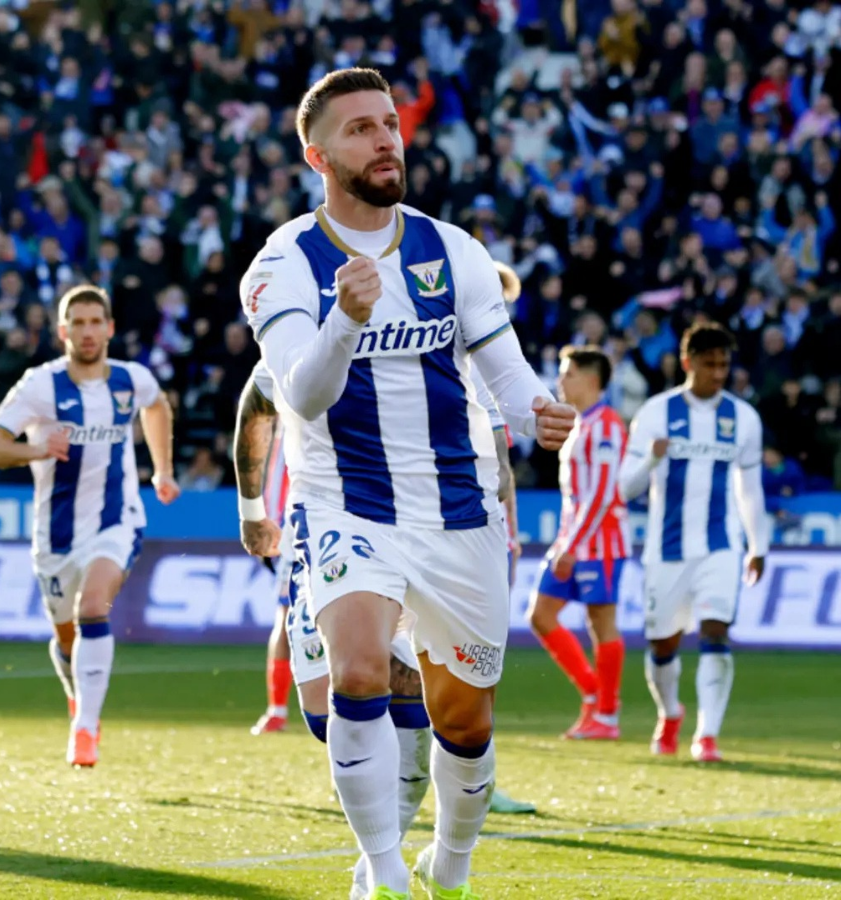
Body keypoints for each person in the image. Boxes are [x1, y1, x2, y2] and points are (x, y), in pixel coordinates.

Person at [238, 68, 574, 898]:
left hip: (458, 514)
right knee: (356, 676)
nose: (385, 139)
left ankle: (449, 870)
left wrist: (541, 413)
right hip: (346, 504)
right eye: (361, 129)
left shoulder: (452, 248)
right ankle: (384, 875)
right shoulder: (283, 264)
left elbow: (507, 376)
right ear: (318, 154)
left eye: (389, 123)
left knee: (466, 720)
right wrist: (345, 321)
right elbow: (302, 396)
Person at [0, 284, 179, 767]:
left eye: (95, 321)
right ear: (62, 331)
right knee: (66, 637)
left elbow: (157, 404)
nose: (87, 331)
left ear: (110, 328)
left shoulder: (129, 379)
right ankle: (78, 699)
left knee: (93, 606)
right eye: (76, 323)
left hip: (116, 520)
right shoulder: (40, 386)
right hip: (55, 535)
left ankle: (85, 729)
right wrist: (36, 449)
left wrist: (161, 469)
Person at [618, 323, 770, 763]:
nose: (719, 373)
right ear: (688, 363)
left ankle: (707, 734)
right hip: (666, 551)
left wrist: (758, 544)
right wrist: (652, 456)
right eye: (710, 364)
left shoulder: (744, 419)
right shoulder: (655, 413)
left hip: (721, 547)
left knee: (716, 631)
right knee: (662, 645)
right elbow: (625, 488)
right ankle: (670, 713)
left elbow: (751, 489)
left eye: (724, 364)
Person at [527, 345, 630, 740]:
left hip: (600, 543)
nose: (560, 381)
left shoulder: (606, 425)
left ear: (590, 379)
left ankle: (606, 714)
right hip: (573, 540)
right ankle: (594, 694)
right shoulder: (582, 424)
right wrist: (564, 543)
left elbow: (603, 494)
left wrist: (572, 545)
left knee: (601, 622)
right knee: (540, 615)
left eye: (567, 374)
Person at [238, 379, 295, 736]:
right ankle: (277, 708)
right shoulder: (286, 372)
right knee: (287, 616)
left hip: (353, 511)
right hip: (293, 521)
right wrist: (263, 516)